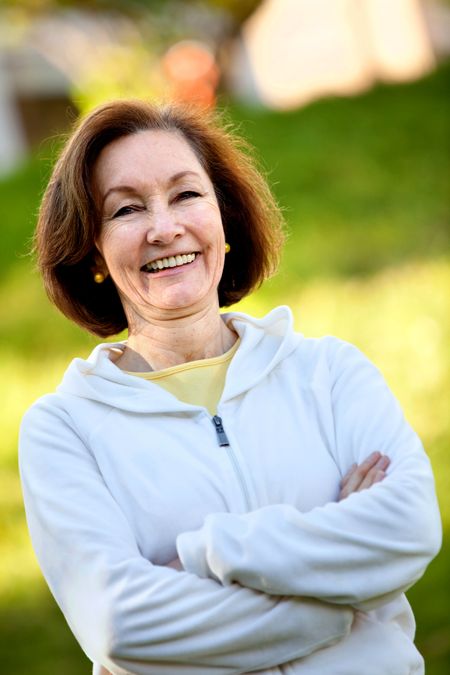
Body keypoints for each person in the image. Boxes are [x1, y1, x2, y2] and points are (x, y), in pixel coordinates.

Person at [19, 99, 441, 675]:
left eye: (186, 195)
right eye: (126, 210)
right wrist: (334, 602)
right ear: (94, 250)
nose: (164, 229)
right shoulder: (64, 431)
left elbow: (408, 528)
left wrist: (201, 555)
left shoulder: (329, 372)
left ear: (225, 220)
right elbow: (120, 624)